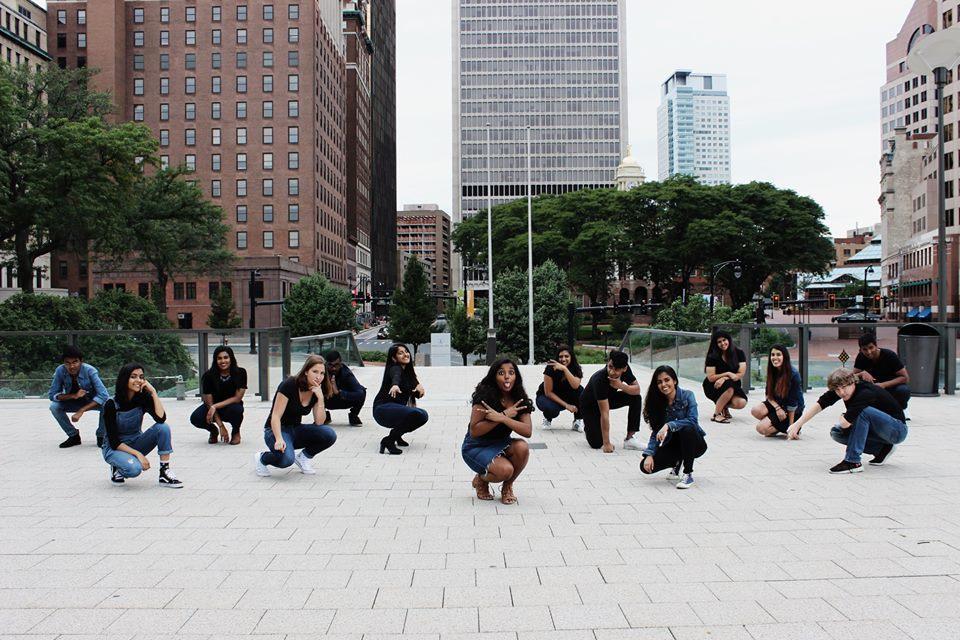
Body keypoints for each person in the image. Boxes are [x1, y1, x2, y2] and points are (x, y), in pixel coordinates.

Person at [787, 367, 908, 474]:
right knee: (837, 433)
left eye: (844, 387)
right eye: (837, 389)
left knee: (862, 412)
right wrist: (797, 424)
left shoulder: (865, 392)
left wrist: (842, 416)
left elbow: (845, 423)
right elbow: (820, 404)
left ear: (853, 382)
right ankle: (882, 449)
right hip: (879, 431)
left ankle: (853, 462)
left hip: (897, 430)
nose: (841, 392)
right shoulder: (841, 389)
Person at [462, 357, 533, 505]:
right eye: (501, 373)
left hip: (501, 443)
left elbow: (527, 431)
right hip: (476, 446)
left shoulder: (519, 398)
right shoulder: (484, 396)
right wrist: (504, 415)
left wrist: (503, 417)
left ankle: (507, 487)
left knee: (522, 447)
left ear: (516, 377)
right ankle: (482, 480)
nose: (507, 376)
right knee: (505, 470)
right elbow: (474, 431)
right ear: (494, 376)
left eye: (511, 373)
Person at [254, 355, 338, 477]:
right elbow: (276, 416)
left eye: (322, 373)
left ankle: (304, 457)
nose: (318, 376)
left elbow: (319, 422)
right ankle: (262, 458)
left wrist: (320, 398)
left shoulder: (318, 390)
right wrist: (279, 439)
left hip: (295, 429)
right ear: (306, 371)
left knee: (329, 434)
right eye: (315, 371)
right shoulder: (290, 384)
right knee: (287, 460)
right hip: (275, 430)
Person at [101, 363, 182, 488]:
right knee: (134, 469)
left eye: (141, 377)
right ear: (124, 379)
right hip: (114, 448)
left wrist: (153, 392)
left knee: (162, 427)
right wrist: (138, 454)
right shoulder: (111, 404)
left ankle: (164, 472)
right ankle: (117, 466)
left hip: (135, 441)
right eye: (133, 377)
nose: (138, 380)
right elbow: (114, 442)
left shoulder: (142, 398)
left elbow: (160, 418)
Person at [640, 365, 707, 489]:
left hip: (695, 444)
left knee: (687, 429)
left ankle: (688, 474)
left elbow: (692, 421)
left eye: (667, 380)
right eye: (659, 382)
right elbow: (656, 432)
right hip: (675, 444)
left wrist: (669, 425)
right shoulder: (659, 403)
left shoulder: (688, 395)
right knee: (645, 467)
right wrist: (649, 454)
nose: (663, 384)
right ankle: (677, 462)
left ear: (674, 381)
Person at [579, 350, 643, 452]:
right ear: (608, 362)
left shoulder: (626, 370)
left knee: (636, 398)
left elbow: (637, 389)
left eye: (616, 369)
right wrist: (606, 443)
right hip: (590, 405)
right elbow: (604, 413)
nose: (612, 372)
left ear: (624, 368)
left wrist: (620, 386)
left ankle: (630, 439)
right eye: (610, 366)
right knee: (596, 443)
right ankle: (589, 425)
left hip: (608, 398)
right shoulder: (599, 379)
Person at [48, 345, 110, 449]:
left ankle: (101, 436)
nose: (71, 366)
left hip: (91, 402)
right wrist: (73, 396)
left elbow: (103, 395)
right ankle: (73, 436)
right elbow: (52, 395)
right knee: (54, 407)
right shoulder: (60, 370)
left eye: (75, 362)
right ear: (64, 363)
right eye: (67, 363)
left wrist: (81, 411)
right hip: (72, 402)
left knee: (108, 404)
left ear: (81, 361)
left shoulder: (90, 370)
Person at [372, 343, 428, 454]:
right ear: (394, 358)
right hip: (382, 409)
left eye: (406, 352)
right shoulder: (395, 368)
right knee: (417, 414)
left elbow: (410, 391)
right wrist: (395, 385)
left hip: (393, 409)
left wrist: (418, 393)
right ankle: (388, 440)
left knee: (423, 415)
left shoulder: (408, 374)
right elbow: (395, 376)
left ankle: (397, 435)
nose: (405, 354)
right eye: (400, 353)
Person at [190, 346, 247, 445]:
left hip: (230, 406)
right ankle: (213, 431)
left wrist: (215, 406)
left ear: (231, 358)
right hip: (211, 407)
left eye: (226, 357)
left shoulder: (240, 373)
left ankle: (236, 432)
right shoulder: (208, 376)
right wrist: (221, 426)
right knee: (196, 418)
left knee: (237, 410)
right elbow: (209, 403)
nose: (223, 361)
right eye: (219, 358)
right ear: (215, 360)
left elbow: (237, 398)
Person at [751, 345, 804, 437]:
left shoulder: (794, 375)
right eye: (773, 355)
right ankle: (776, 421)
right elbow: (768, 394)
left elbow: (793, 404)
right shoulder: (772, 371)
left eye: (778, 355)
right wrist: (777, 408)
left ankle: (793, 427)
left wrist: (791, 428)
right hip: (778, 403)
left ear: (785, 357)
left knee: (761, 428)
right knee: (755, 410)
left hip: (792, 409)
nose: (775, 357)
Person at [853, 333, 910, 410]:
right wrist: (861, 373)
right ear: (860, 350)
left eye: (871, 347)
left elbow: (905, 378)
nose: (869, 352)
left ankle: (899, 409)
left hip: (891, 388)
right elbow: (852, 378)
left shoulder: (890, 355)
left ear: (876, 346)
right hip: (873, 389)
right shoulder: (861, 356)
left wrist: (883, 385)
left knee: (903, 390)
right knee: (853, 387)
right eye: (865, 349)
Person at [535, 345, 584, 432]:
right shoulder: (550, 367)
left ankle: (577, 421)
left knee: (581, 391)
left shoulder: (576, 368)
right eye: (561, 356)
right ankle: (547, 419)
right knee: (551, 409)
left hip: (565, 396)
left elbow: (575, 386)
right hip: (547, 397)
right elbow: (548, 393)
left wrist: (565, 369)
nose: (563, 359)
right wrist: (566, 405)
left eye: (566, 356)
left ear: (571, 357)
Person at [702, 331, 748, 423]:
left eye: (724, 340)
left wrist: (724, 378)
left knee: (741, 403)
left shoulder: (739, 352)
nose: (722, 343)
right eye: (719, 342)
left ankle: (723, 406)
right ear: (716, 344)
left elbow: (740, 374)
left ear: (729, 340)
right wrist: (727, 373)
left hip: (732, 383)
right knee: (729, 388)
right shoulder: (712, 356)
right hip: (713, 385)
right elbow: (711, 377)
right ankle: (717, 415)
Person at [323, 350, 366, 426]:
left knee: (362, 390)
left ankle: (353, 415)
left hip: (343, 400)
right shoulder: (321, 371)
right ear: (326, 364)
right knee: (312, 391)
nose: (333, 368)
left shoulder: (346, 373)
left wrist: (339, 392)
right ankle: (323, 416)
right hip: (326, 400)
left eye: (336, 365)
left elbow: (360, 393)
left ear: (341, 364)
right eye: (330, 365)